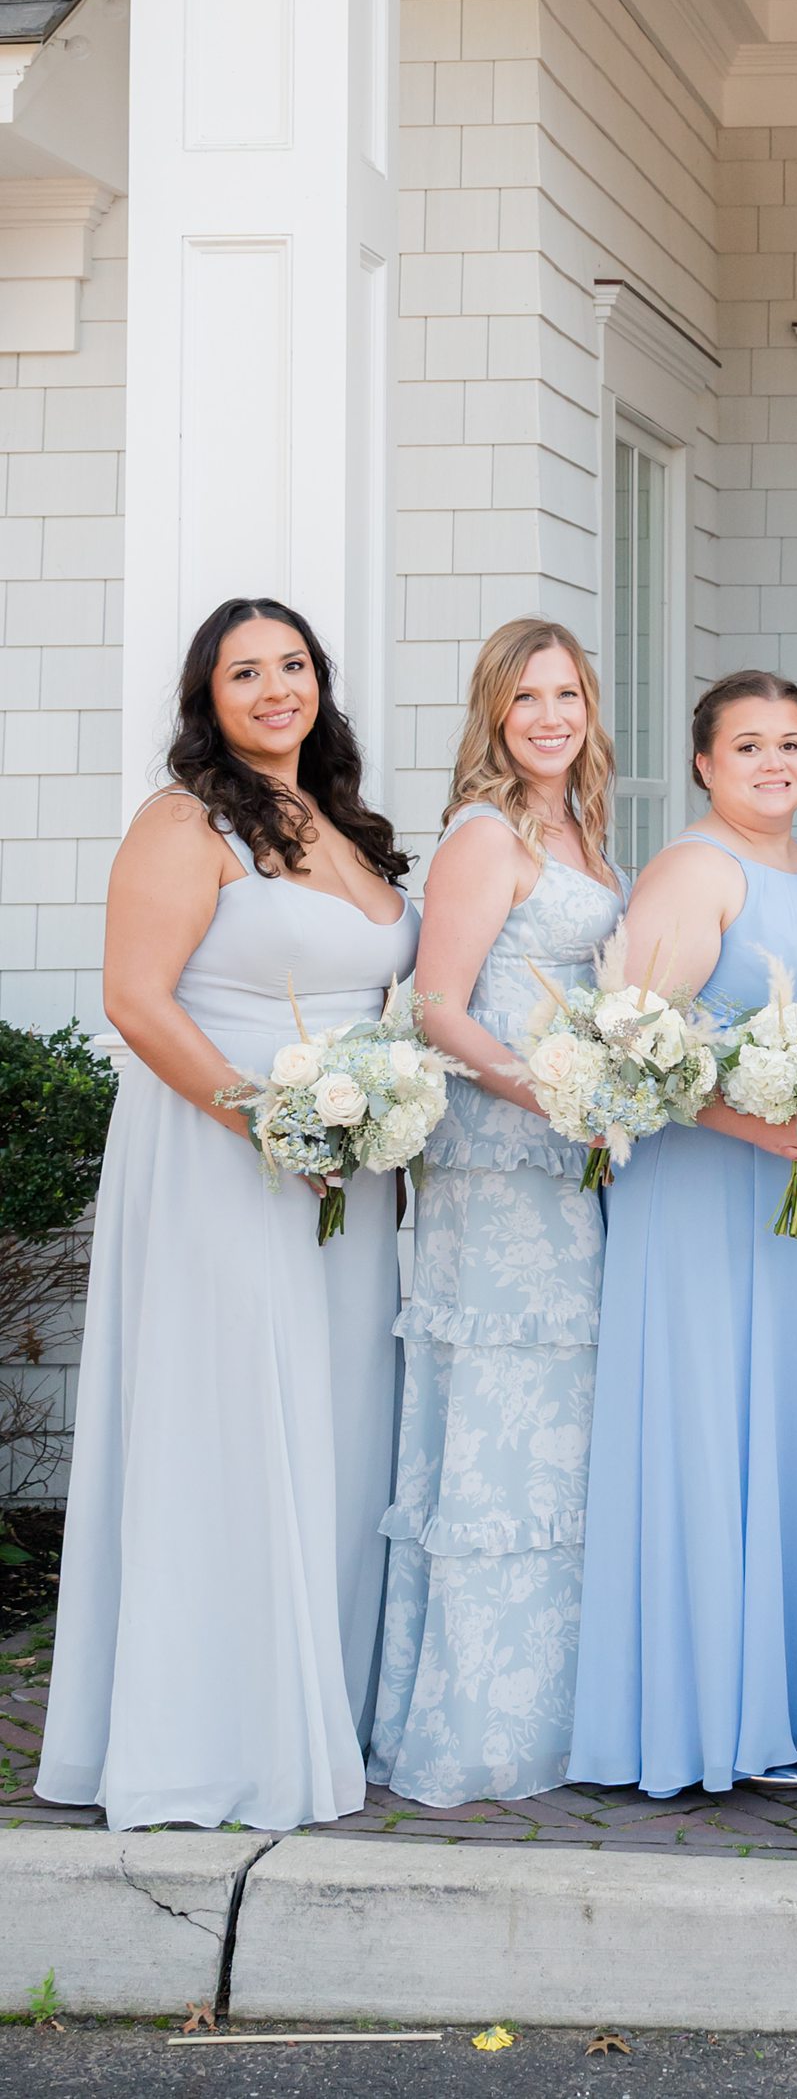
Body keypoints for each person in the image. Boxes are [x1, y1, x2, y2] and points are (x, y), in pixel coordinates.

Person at [40, 601, 415, 1831]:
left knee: (332, 1423)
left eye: (292, 666)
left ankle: (317, 1704)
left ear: (320, 682)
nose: (274, 689)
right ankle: (216, 1735)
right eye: (244, 672)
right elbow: (138, 1003)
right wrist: (266, 1122)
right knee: (233, 1423)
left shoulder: (340, 822)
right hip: (224, 1156)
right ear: (208, 695)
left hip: (346, 1172)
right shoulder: (181, 821)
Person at [571, 673, 797, 1796]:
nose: (773, 762)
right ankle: (731, 1711)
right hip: (720, 1200)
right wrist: (747, 1117)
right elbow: (631, 1055)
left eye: (791, 742)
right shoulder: (697, 869)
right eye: (748, 744)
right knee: (733, 1424)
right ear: (704, 762)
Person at [371, 620, 625, 1806]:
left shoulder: (585, 833)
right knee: (502, 1422)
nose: (548, 716)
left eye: (565, 693)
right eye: (525, 697)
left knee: (562, 1423)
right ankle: (479, 1720)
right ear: (493, 712)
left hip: (572, 1164)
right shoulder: (485, 836)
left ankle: (562, 1704)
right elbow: (438, 1007)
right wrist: (552, 1092)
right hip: (501, 1166)